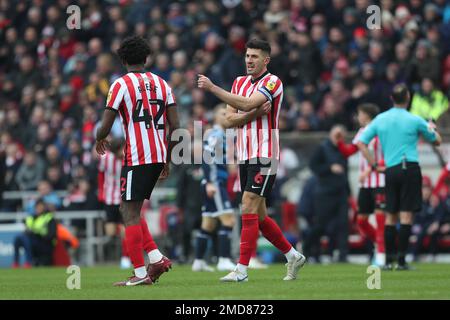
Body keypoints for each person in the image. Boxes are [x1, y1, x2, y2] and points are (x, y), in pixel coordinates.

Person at [198, 39, 306, 282]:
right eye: (247, 56)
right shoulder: (238, 82)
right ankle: (293, 255)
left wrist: (213, 88)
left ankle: (241, 270)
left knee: (246, 205)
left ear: (265, 60)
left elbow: (244, 105)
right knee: (258, 216)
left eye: (254, 56)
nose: (249, 60)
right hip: (245, 154)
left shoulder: (272, 81)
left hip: (266, 152)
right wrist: (256, 113)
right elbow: (228, 120)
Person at [95, 36, 180, 286]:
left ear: (122, 60)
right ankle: (156, 258)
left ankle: (141, 274)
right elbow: (176, 126)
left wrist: (100, 138)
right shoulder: (163, 84)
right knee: (131, 209)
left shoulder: (120, 85)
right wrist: (168, 157)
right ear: (147, 58)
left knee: (128, 212)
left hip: (138, 156)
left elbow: (106, 124)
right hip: (158, 154)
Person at [357, 83, 442, 270]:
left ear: (391, 99)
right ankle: (402, 261)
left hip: (390, 169)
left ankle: (388, 261)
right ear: (408, 98)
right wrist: (431, 128)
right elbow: (437, 141)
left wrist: (374, 165)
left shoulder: (380, 119)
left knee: (390, 217)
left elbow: (362, 143)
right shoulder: (415, 119)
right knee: (406, 216)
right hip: (409, 168)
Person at [336, 103, 386, 265]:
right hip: (365, 185)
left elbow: (388, 155)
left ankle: (381, 255)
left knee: (380, 218)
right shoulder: (361, 133)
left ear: (366, 115)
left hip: (380, 181)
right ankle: (381, 245)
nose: (358, 117)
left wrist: (371, 169)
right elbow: (349, 152)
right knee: (362, 221)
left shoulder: (381, 131)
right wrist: (339, 142)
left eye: (360, 113)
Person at [192, 105, 236, 272]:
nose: (227, 116)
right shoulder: (217, 134)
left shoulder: (224, 135)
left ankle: (198, 262)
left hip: (213, 182)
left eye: (229, 114)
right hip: (215, 183)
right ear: (216, 117)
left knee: (208, 224)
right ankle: (224, 259)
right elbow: (207, 156)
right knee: (229, 220)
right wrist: (210, 181)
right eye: (223, 113)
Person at [304, 125, 350, 263]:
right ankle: (307, 249)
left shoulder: (344, 150)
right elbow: (313, 166)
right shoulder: (322, 148)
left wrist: (349, 192)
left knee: (343, 224)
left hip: (341, 192)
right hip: (325, 193)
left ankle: (343, 256)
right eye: (337, 135)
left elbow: (345, 173)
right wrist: (330, 168)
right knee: (321, 225)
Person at [97, 137, 131, 269]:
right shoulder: (105, 159)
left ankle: (125, 258)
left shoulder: (128, 158)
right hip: (110, 198)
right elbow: (100, 173)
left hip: (124, 199)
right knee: (110, 231)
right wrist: (101, 191)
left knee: (124, 231)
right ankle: (128, 237)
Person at [13, 199, 57, 267]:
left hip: (43, 242)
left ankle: (28, 262)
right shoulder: (30, 217)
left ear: (44, 208)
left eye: (41, 207)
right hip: (31, 240)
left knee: (24, 239)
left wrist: (36, 233)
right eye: (37, 207)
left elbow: (51, 235)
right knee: (19, 238)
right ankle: (16, 262)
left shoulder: (48, 218)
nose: (39, 209)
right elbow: (27, 228)